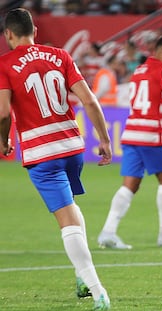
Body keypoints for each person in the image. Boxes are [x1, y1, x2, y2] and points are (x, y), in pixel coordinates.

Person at [0, 8, 111, 310]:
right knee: (72, 208)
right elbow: (88, 99)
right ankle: (80, 276)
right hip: (72, 146)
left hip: (41, 152)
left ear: (8, 34)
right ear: (34, 29)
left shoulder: (5, 64)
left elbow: (2, 112)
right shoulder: (59, 55)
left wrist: (4, 139)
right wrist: (103, 138)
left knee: (66, 220)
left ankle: (97, 289)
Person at [97, 34, 162, 249]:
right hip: (151, 134)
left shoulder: (140, 70)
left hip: (131, 133)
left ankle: (108, 231)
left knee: (130, 185)